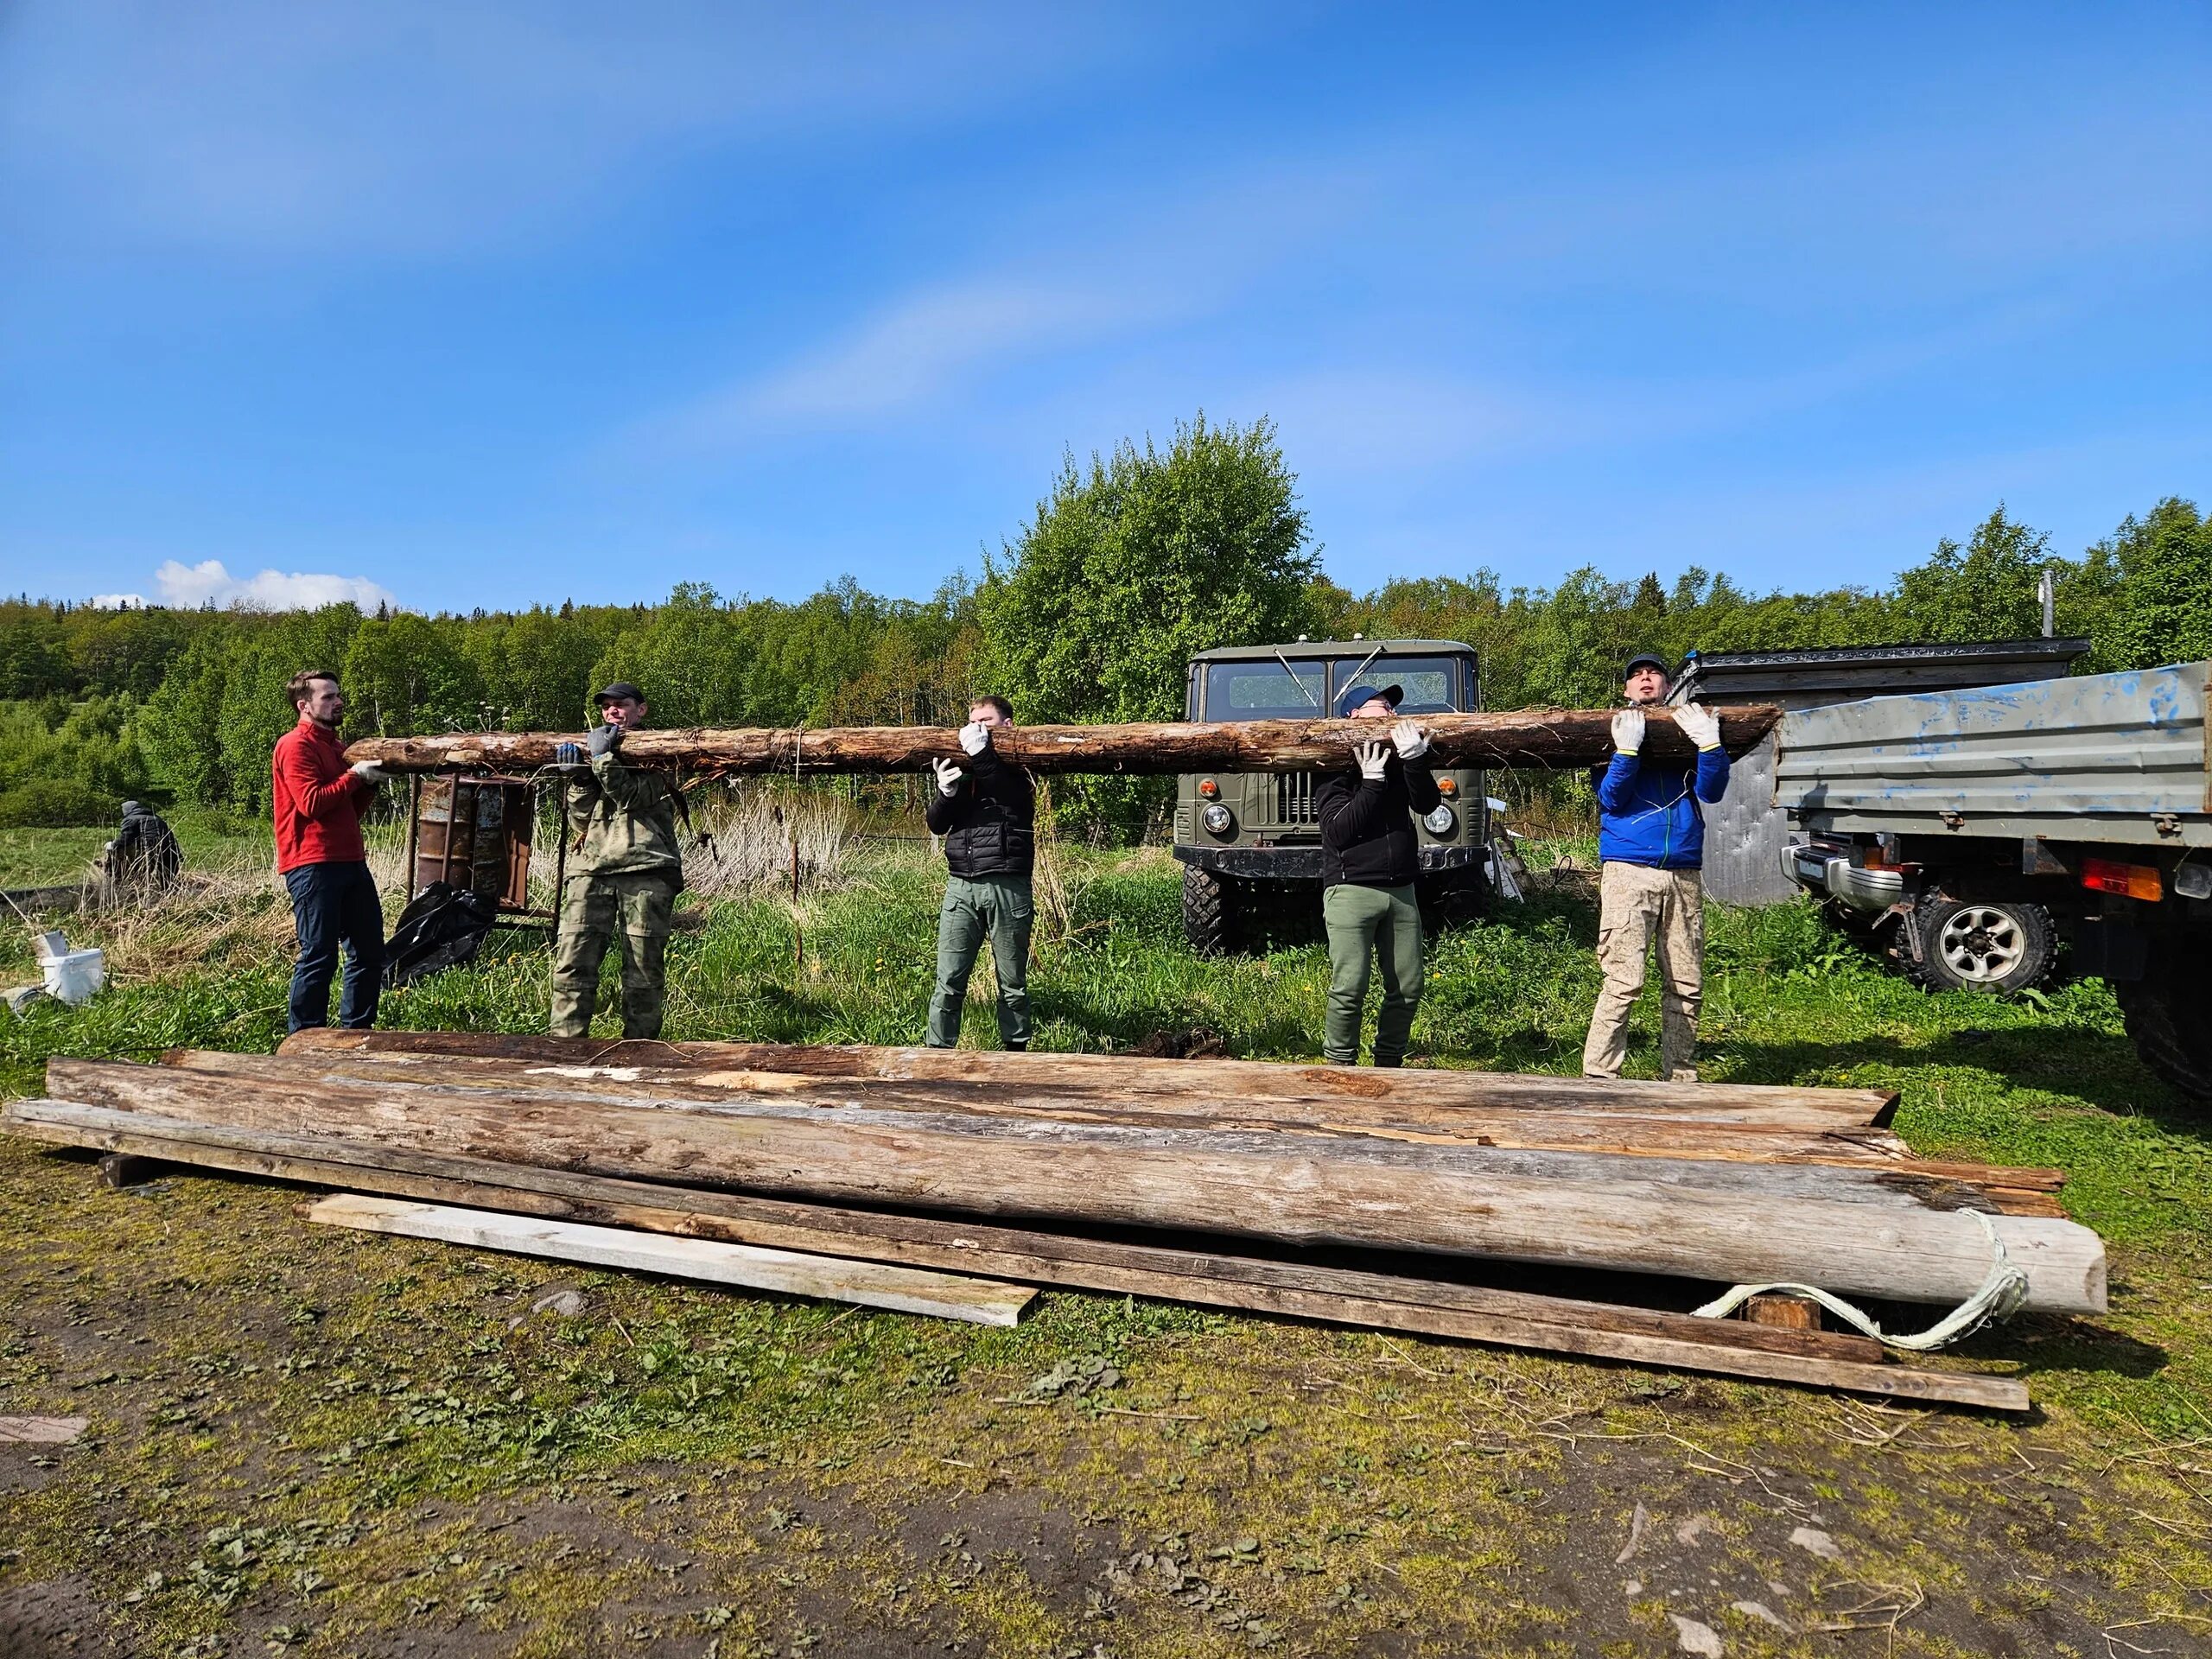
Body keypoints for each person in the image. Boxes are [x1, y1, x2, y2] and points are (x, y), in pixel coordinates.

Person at [1581, 652, 1729, 1082]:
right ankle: (1599, 1077)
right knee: (1623, 982)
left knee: (1687, 983)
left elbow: (1712, 790)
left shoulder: (1684, 731)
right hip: (1629, 871)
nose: (1645, 679)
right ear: (1626, 689)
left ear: (1667, 685)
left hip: (1683, 873)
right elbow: (1611, 798)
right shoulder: (1608, 733)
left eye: (1654, 673)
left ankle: (1681, 1076)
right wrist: (1626, 751)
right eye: (1636, 675)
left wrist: (1709, 744)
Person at [550, 682, 685, 1040]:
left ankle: (640, 1053)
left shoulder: (663, 753)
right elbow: (581, 822)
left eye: (620, 704)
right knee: (572, 965)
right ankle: (565, 1049)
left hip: (646, 868)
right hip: (590, 868)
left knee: (643, 970)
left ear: (641, 710)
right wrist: (578, 780)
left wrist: (602, 759)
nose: (612, 711)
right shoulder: (597, 751)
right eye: (606, 707)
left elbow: (631, 797)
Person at [1315, 681, 1439, 1066]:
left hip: (1401, 890)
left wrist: (1415, 760)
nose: (1390, 712)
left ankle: (1389, 1063)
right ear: (1353, 716)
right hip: (1351, 890)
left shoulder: (1400, 760)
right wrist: (1369, 784)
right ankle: (1340, 1063)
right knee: (1350, 986)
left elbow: (1428, 803)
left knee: (1408, 986)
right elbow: (1338, 830)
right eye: (1380, 706)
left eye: (1391, 707)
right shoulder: (1333, 767)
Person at [272, 669, 388, 1033]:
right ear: (304, 705)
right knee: (319, 956)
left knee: (369, 953)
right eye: (328, 697)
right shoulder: (294, 746)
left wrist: (367, 786)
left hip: (351, 859)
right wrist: (355, 776)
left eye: (338, 695)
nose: (338, 702)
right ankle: (305, 1039)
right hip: (312, 863)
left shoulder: (338, 748)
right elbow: (311, 804)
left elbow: (347, 811)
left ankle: (356, 1035)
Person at [924, 695, 1034, 1051]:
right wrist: (946, 793)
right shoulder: (969, 768)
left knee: (1012, 983)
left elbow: (1009, 796)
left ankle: (1016, 1056)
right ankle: (937, 1055)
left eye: (985, 721)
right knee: (949, 980)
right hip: (961, 887)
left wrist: (982, 755)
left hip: (1008, 884)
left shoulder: (1021, 768)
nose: (977, 729)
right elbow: (937, 825)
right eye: (973, 723)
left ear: (1007, 725)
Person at [103, 799, 181, 898]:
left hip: (151, 850)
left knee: (140, 876)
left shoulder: (131, 819)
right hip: (171, 850)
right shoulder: (156, 818)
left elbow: (127, 838)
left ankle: (138, 897)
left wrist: (113, 845)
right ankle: (172, 901)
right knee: (169, 882)